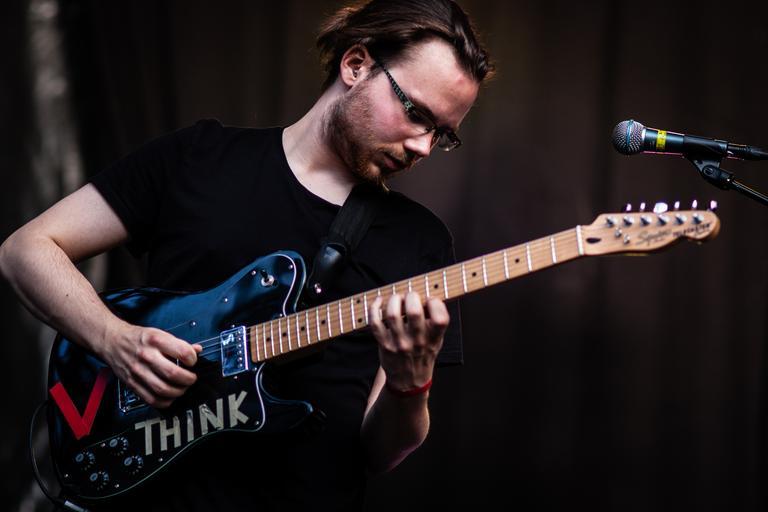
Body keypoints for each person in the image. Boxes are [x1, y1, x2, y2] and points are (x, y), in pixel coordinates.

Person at [0, 0, 493, 510]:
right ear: (355, 65)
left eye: (442, 134)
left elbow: (382, 452)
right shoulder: (198, 158)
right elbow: (25, 250)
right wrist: (114, 340)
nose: (423, 146)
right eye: (416, 114)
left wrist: (410, 386)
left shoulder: (420, 242)